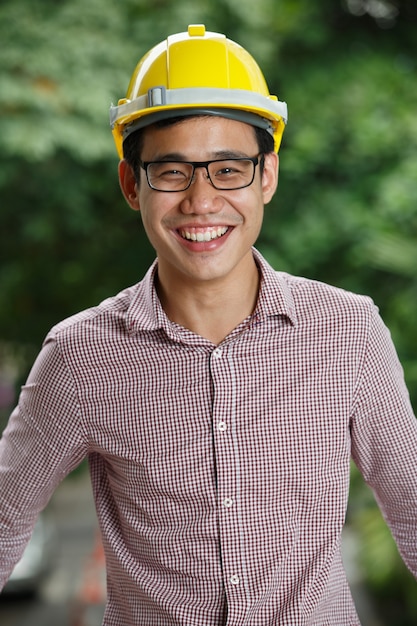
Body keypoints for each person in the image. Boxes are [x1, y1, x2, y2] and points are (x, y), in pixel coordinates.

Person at [0, 23, 416, 626]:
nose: (200, 201)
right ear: (131, 185)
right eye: (172, 172)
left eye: (228, 169)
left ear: (266, 176)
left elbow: (410, 505)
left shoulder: (349, 332)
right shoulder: (80, 355)